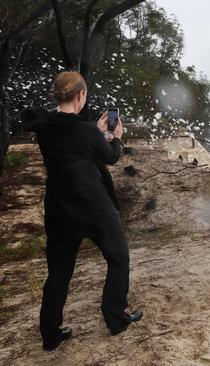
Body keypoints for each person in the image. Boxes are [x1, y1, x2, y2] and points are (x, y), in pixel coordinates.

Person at [22, 71, 143, 351]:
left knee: (59, 273)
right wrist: (115, 137)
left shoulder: (45, 126)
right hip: (92, 207)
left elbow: (73, 142)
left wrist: (96, 131)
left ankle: (50, 334)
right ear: (80, 96)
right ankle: (116, 317)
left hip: (58, 209)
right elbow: (110, 156)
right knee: (118, 258)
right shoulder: (86, 131)